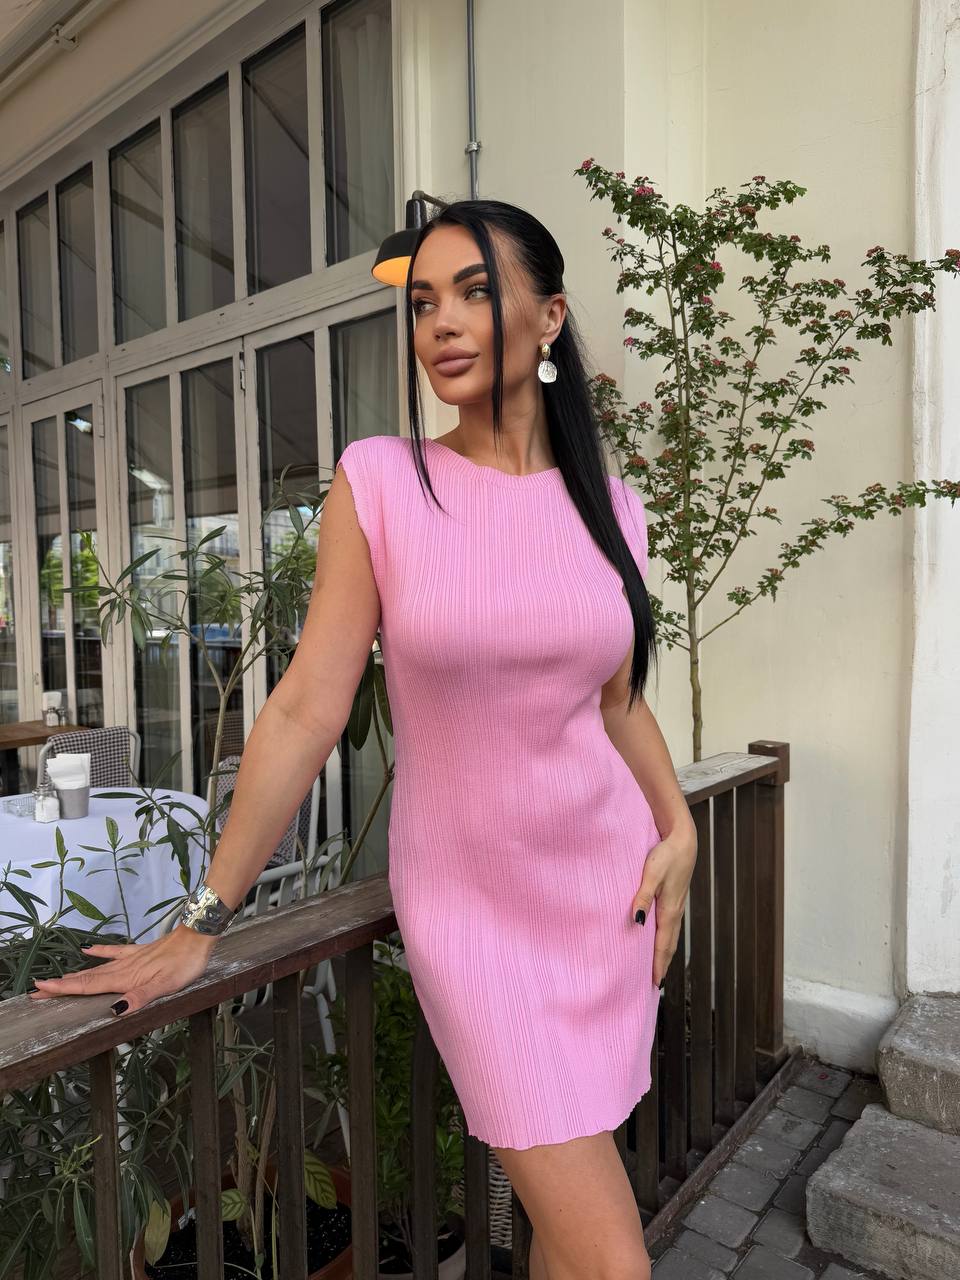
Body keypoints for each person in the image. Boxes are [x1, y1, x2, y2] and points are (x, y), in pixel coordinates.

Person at [31, 199, 698, 1280]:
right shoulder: (384, 480)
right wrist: (207, 912)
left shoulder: (613, 508)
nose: (440, 320)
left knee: (572, 1243)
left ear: (550, 317)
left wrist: (679, 827)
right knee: (615, 1257)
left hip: (603, 897)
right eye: (424, 300)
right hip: (477, 918)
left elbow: (617, 701)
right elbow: (305, 706)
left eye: (476, 291)